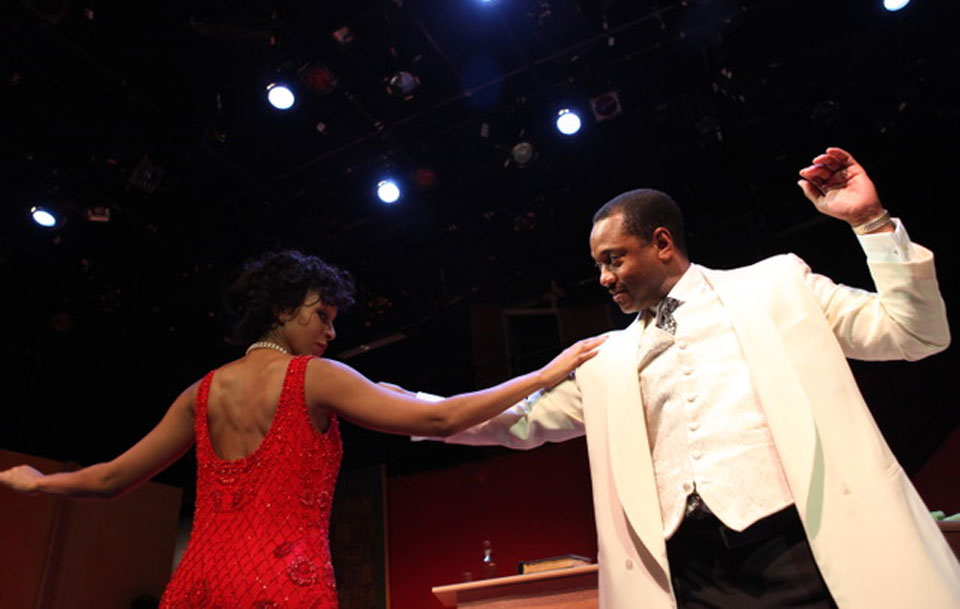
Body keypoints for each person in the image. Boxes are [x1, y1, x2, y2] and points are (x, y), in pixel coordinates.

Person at [418, 147, 959, 608]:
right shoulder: (606, 359)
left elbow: (915, 334)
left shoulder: (776, 286)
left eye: (614, 259)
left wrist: (870, 222)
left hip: (799, 549)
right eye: (599, 265)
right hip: (691, 575)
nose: (603, 278)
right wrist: (408, 411)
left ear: (661, 243)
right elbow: (519, 423)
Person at [0, 250, 605, 609]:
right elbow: (440, 419)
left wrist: (37, 483)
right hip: (283, 583)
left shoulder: (200, 393)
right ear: (281, 309)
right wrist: (544, 373)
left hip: (198, 584)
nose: (330, 332)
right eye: (322, 316)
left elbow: (109, 481)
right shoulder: (314, 377)